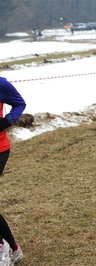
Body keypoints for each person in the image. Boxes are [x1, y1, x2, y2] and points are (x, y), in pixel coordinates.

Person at [0, 77, 26, 265]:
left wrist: (8, 120)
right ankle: (12, 248)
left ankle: (3, 248)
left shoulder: (1, 84)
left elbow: (19, 103)